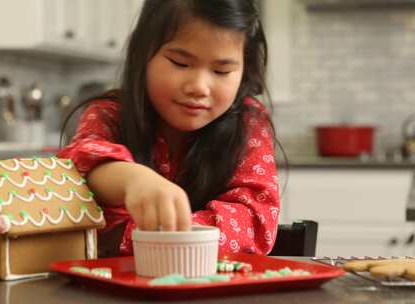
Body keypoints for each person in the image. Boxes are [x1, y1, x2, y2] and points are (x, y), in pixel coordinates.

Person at [58, 0, 280, 257]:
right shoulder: (109, 114)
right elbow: (80, 169)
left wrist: (145, 236)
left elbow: (254, 223)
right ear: (143, 55)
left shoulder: (249, 124)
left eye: (221, 70)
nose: (199, 86)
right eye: (179, 63)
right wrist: (133, 180)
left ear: (245, 70)